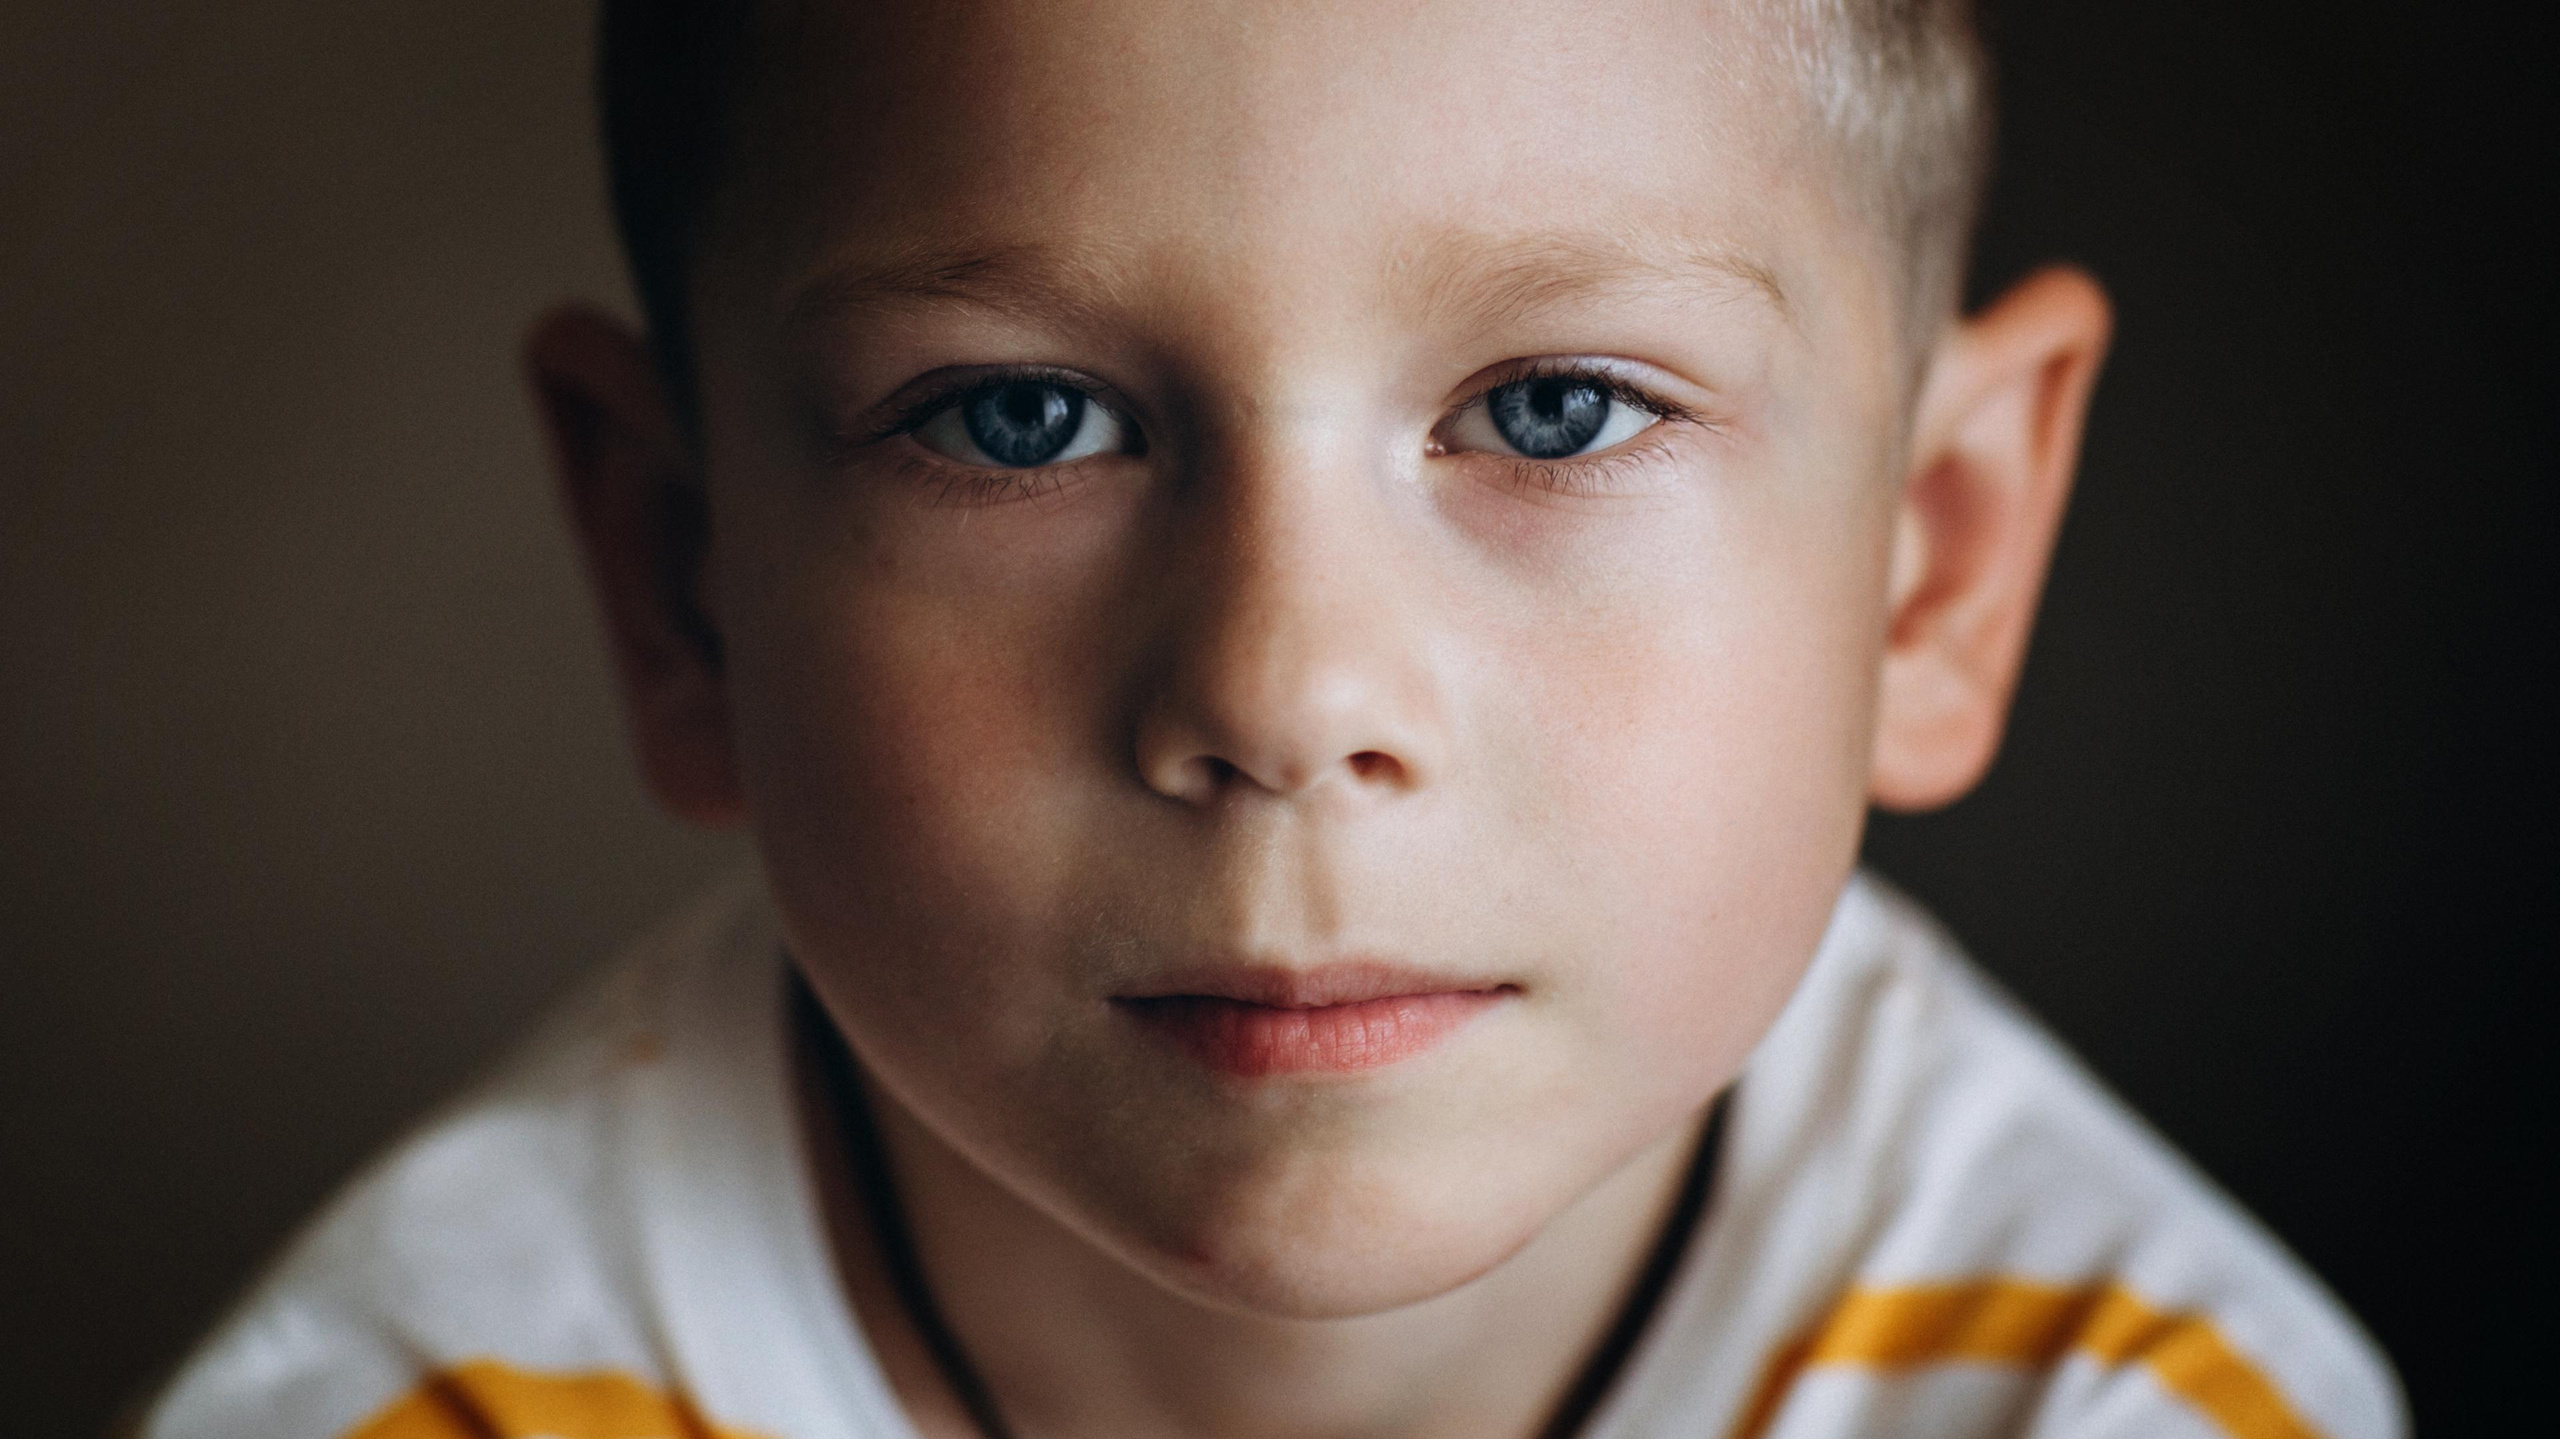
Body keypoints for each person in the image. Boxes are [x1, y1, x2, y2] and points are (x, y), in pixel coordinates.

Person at [140, 0, 2406, 1435]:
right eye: (1020, 419)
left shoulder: (2126, 1402)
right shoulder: (423, 1406)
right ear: (680, 580)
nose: (1283, 691)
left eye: (1553, 405)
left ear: (1931, 557)